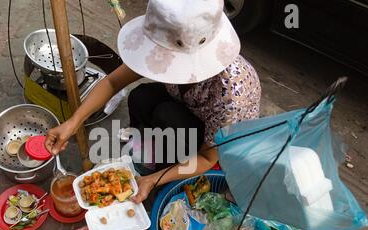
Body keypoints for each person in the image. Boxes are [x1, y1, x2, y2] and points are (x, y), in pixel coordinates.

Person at [45, 0, 261, 204]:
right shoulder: (172, 42)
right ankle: (151, 147)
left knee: (167, 115)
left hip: (214, 141)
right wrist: (73, 123)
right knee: (141, 97)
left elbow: (206, 157)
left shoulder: (232, 95)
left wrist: (154, 180)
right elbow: (112, 82)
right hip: (186, 105)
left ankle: (163, 168)